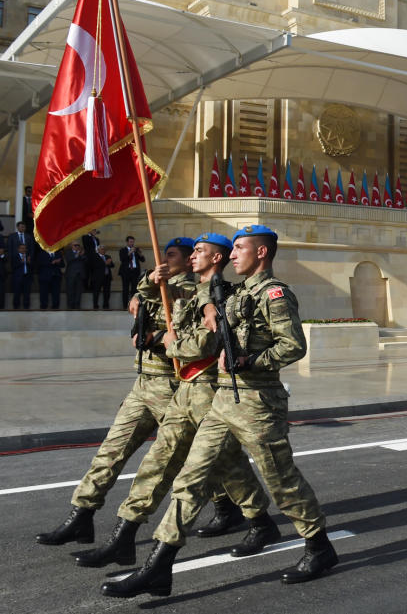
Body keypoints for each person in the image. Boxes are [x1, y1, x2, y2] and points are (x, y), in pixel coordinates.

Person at [103, 225, 338, 598]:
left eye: (240, 248)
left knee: (281, 480)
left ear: (261, 253)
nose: (233, 255)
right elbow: (201, 307)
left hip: (259, 403)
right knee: (190, 480)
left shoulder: (275, 294)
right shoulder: (233, 293)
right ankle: (158, 568)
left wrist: (253, 360)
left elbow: (293, 346)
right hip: (222, 400)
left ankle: (319, 546)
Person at [72, 233, 273, 569]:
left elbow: (205, 342)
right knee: (158, 462)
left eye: (199, 251)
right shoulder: (194, 293)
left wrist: (168, 342)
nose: (193, 256)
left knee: (219, 467)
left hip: (209, 390)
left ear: (217, 259)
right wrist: (148, 286)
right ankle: (123, 537)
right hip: (183, 389)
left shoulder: (228, 294)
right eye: (191, 251)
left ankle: (259, 521)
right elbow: (155, 299)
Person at [34, 238, 193, 549]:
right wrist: (141, 289)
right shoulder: (154, 284)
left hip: (174, 385)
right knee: (110, 451)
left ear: (188, 261)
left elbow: (188, 331)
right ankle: (82, 515)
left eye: (171, 255)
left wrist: (156, 334)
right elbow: (140, 300)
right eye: (161, 254)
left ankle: (243, 511)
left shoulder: (191, 290)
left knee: (202, 461)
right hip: (143, 384)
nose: (162, 259)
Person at [119, 237, 145, 309]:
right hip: (126, 272)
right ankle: (125, 306)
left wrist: (140, 253)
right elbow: (122, 259)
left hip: (135, 272)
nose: (132, 243)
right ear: (127, 242)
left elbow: (143, 260)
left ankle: (133, 305)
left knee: (134, 289)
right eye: (130, 242)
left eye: (133, 242)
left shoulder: (136, 250)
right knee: (125, 289)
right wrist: (130, 252)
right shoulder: (123, 250)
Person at [36, 246, 64, 310]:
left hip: (56, 276)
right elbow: (39, 264)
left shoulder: (58, 253)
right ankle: (43, 307)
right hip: (44, 276)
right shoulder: (41, 253)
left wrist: (59, 262)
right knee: (43, 292)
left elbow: (63, 264)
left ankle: (55, 306)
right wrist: (52, 262)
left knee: (56, 292)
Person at [64, 242, 87, 310]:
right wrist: (77, 254)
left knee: (78, 291)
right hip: (71, 274)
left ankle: (77, 305)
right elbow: (69, 260)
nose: (77, 246)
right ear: (72, 246)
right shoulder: (68, 252)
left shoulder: (81, 252)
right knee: (70, 290)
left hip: (80, 274)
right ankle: (70, 305)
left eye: (78, 245)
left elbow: (85, 260)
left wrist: (81, 254)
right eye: (75, 245)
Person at [11, 242, 33, 309]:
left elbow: (32, 267)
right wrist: (21, 262)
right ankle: (16, 307)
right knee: (17, 293)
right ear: (18, 249)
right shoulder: (15, 256)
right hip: (18, 278)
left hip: (27, 277)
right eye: (22, 248)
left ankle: (26, 307)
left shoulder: (28, 256)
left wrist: (29, 263)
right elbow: (13, 266)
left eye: (25, 248)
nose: (23, 250)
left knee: (27, 293)